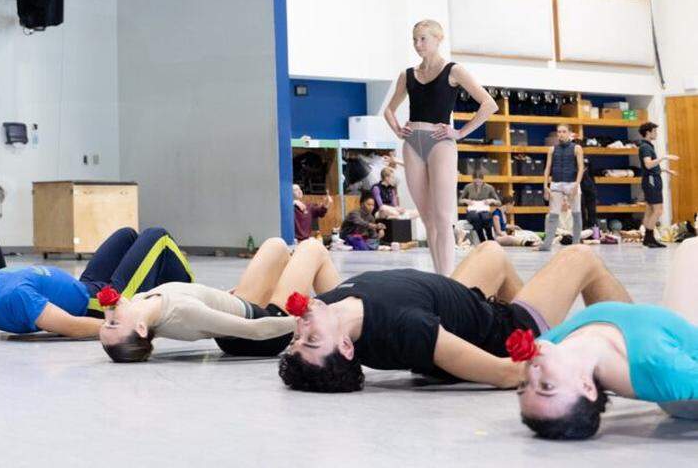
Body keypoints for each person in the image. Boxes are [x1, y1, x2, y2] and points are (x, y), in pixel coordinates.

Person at [277, 240, 632, 393]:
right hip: (504, 331)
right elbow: (508, 374)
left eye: (296, 338)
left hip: (453, 300)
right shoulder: (407, 328)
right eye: (311, 340)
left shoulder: (330, 303)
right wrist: (554, 359)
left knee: (491, 252)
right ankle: (644, 339)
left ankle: (540, 309)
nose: (302, 327)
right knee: (581, 257)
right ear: (345, 345)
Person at [517, 237, 698, 439]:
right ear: (585, 386)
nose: (532, 373)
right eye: (546, 386)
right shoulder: (660, 366)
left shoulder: (555, 342)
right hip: (687, 399)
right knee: (691, 250)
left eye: (523, 385)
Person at [0, 227, 192, 343]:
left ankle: (158, 286)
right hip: (102, 299)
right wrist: (117, 323)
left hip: (87, 283)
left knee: (127, 235)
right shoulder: (14, 301)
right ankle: (189, 290)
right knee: (157, 237)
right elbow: (71, 326)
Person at [99, 238, 338, 362]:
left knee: (275, 246)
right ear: (141, 328)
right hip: (262, 334)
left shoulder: (141, 300)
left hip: (241, 307)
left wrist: (223, 299)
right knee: (312, 247)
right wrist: (310, 317)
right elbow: (255, 330)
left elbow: (198, 298)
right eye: (113, 323)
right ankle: (342, 319)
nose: (108, 315)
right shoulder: (182, 313)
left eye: (105, 323)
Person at [384, 19, 497, 275]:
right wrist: (398, 129)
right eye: (414, 39)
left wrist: (459, 132)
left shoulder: (454, 70)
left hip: (441, 144)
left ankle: (447, 282)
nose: (418, 44)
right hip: (412, 144)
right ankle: (439, 278)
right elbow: (389, 110)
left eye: (423, 38)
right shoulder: (408, 75)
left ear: (438, 39)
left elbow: (489, 104)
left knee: (444, 219)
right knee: (428, 219)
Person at [540, 124, 585, 251]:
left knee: (576, 213)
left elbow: (581, 167)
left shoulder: (577, 148)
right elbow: (547, 168)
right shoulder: (552, 149)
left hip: (572, 183)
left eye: (564, 131)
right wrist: (545, 186)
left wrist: (577, 184)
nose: (561, 134)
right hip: (556, 183)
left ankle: (576, 243)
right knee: (553, 214)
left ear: (569, 133)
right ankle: (546, 244)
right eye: (559, 132)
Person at [637, 122, 677, 249]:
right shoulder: (645, 147)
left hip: (651, 179)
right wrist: (663, 157)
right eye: (654, 131)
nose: (656, 133)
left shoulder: (647, 146)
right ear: (648, 132)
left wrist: (665, 171)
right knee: (658, 210)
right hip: (651, 181)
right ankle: (649, 238)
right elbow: (648, 164)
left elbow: (649, 167)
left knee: (649, 210)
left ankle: (647, 239)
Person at [458, 170, 501, 243]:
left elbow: (499, 202)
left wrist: (491, 201)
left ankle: (490, 237)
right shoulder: (468, 187)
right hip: (472, 210)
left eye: (479, 181)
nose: (478, 183)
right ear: (473, 179)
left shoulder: (489, 187)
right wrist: (466, 201)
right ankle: (482, 239)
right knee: (475, 218)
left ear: (482, 179)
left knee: (485, 218)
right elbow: (460, 200)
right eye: (475, 181)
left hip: (483, 209)